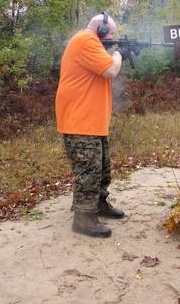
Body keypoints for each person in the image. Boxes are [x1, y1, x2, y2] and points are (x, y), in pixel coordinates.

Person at [55, 13, 131, 238]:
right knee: (88, 171)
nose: (113, 38)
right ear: (100, 29)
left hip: (91, 121)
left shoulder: (92, 44)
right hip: (80, 121)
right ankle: (83, 219)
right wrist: (119, 54)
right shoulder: (86, 41)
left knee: (101, 169)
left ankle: (98, 205)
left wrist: (117, 53)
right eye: (111, 34)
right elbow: (110, 70)